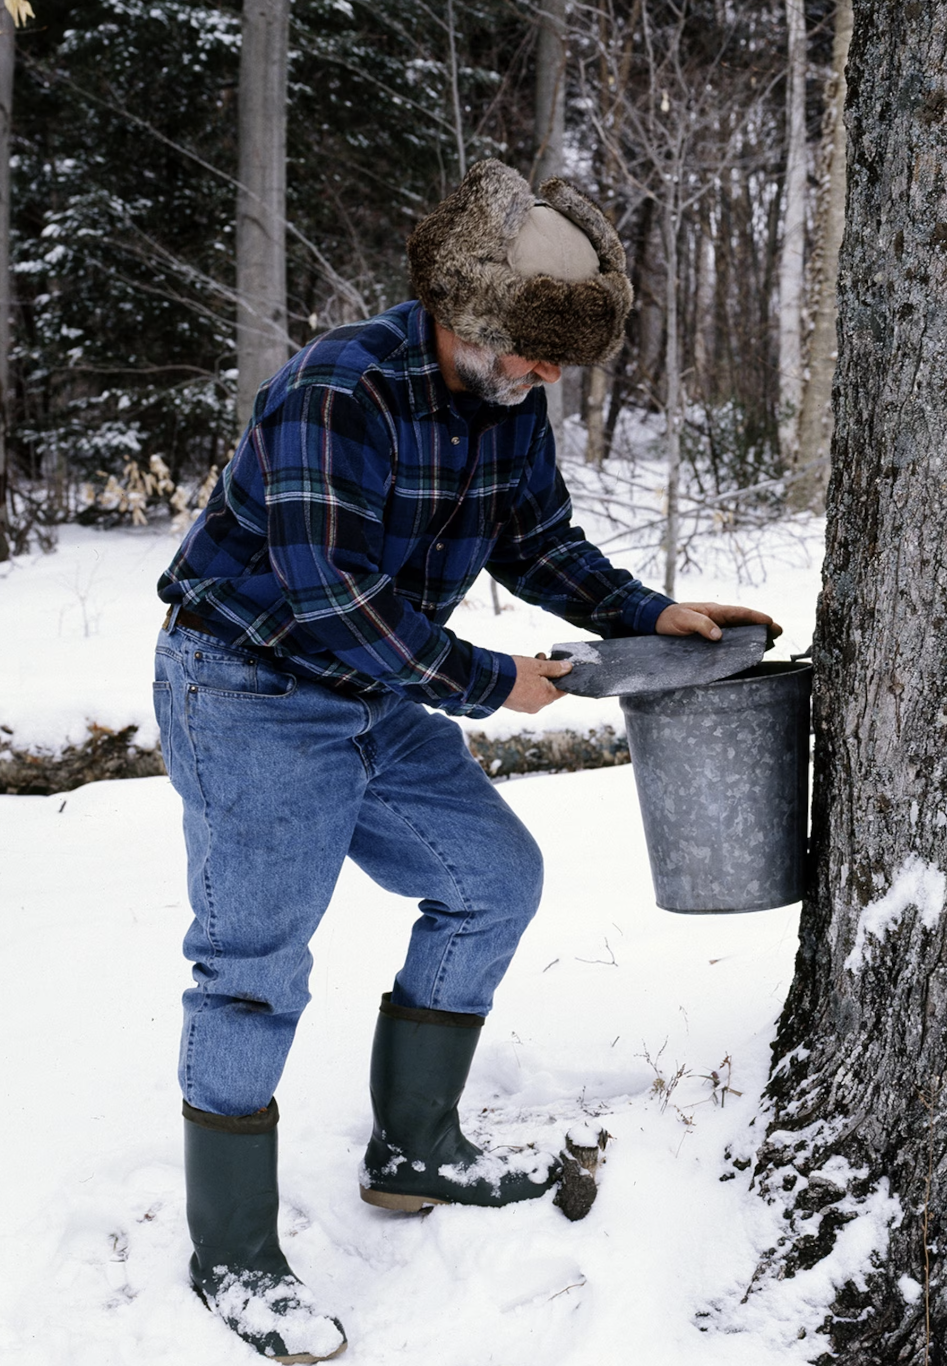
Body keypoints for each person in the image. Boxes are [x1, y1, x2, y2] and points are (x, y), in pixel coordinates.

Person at [154, 159, 779, 1361]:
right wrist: (491, 682)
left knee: (493, 877)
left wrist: (648, 614)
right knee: (254, 961)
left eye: (559, 359)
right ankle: (229, 1250)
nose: (547, 377)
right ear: (471, 317)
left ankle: (413, 1146)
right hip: (250, 687)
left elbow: (541, 540)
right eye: (535, 353)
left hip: (371, 690)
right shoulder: (338, 388)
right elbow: (321, 591)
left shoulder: (506, 407)